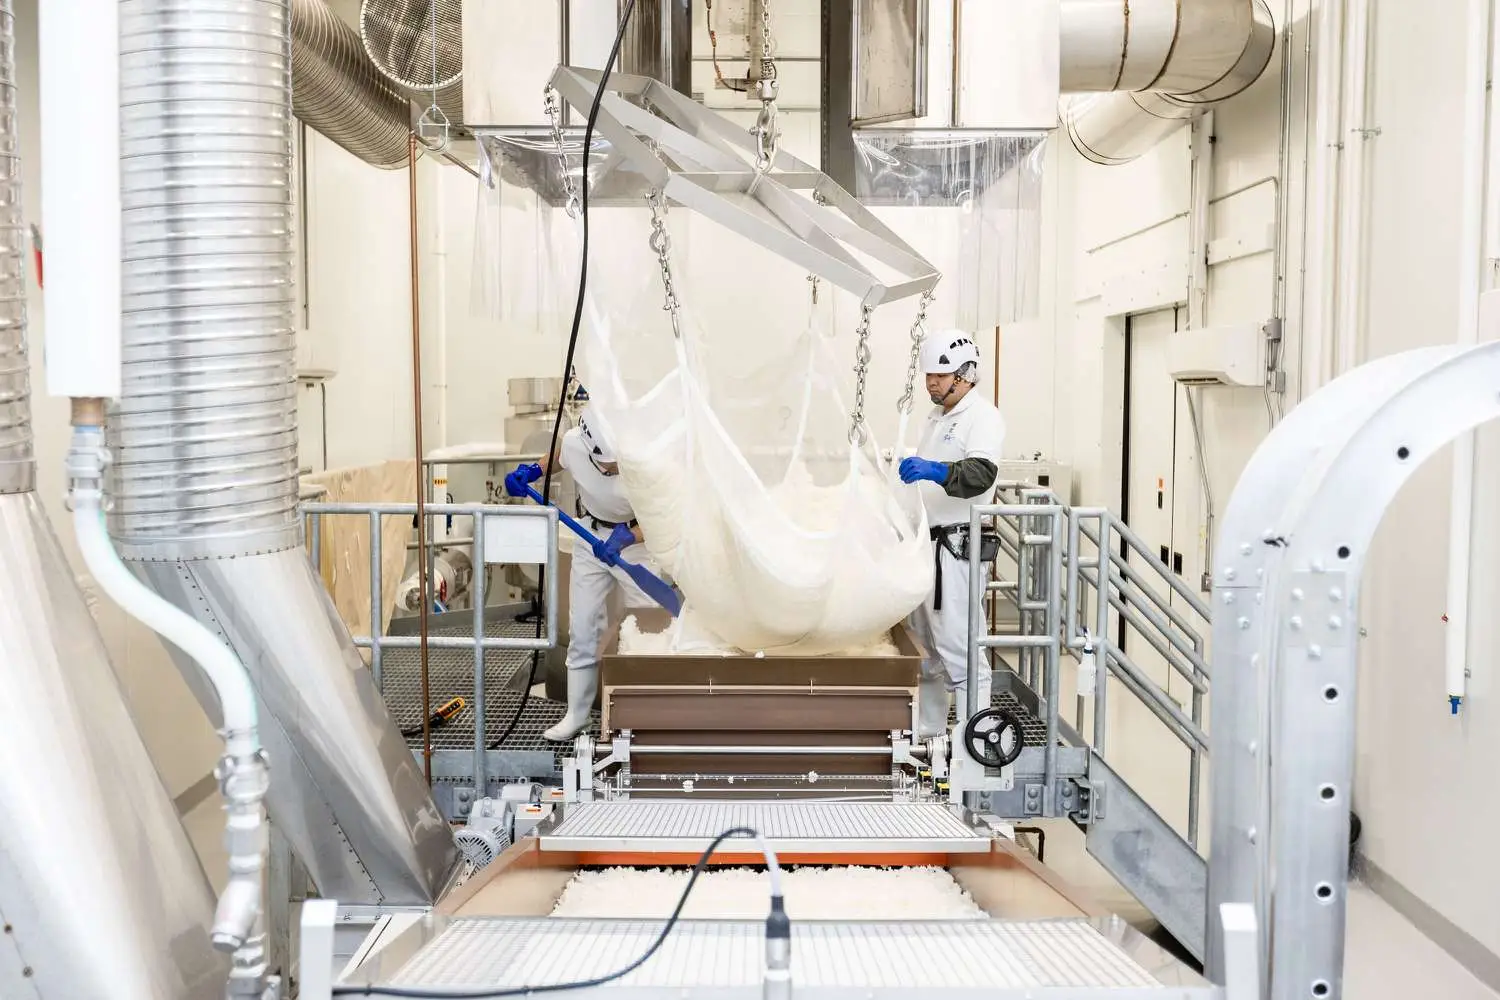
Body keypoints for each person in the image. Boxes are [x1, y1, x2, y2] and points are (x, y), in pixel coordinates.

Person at [504, 410, 655, 742]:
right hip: (591, 538)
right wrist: (530, 471)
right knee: (583, 627)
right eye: (608, 466)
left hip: (637, 543)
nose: (614, 470)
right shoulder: (575, 444)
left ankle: (644, 717)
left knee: (649, 630)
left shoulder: (646, 461)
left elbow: (662, 515)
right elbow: (559, 458)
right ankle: (578, 715)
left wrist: (626, 537)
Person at [898, 331, 1006, 740]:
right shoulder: (937, 418)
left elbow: (981, 474)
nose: (932, 383)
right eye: (929, 375)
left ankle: (977, 741)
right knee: (925, 651)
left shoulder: (983, 417)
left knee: (959, 647)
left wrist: (936, 471)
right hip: (927, 547)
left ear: (966, 374)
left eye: (941, 376)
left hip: (955, 552)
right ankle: (930, 736)